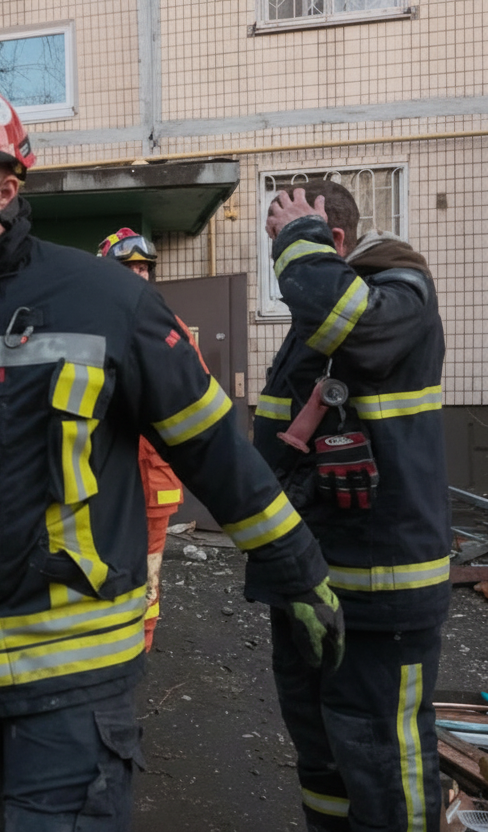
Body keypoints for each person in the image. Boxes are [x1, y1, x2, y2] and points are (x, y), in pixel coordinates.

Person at [0, 71, 345, 832]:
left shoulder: (111, 302)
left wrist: (298, 572)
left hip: (72, 682)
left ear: (2, 187)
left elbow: (214, 452)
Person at [258, 180, 450, 832]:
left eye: (288, 247)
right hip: (315, 592)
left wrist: (299, 242)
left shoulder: (403, 298)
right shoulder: (317, 329)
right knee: (327, 769)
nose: (283, 272)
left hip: (380, 601)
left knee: (386, 773)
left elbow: (354, 323)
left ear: (331, 241)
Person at [97, 228, 203, 651]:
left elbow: (196, 394)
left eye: (144, 268)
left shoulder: (170, 327)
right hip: (101, 471)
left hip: (153, 472)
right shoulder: (89, 324)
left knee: (149, 566)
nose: (139, 276)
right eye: (129, 268)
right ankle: (101, 640)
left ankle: (139, 644)